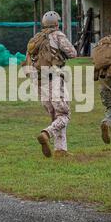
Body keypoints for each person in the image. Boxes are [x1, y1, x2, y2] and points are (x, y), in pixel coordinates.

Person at [26, 11, 77, 158]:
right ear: (57, 23)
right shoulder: (58, 35)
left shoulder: (35, 39)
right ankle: (46, 133)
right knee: (64, 114)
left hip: (39, 81)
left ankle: (60, 150)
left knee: (55, 114)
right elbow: (73, 53)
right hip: (54, 78)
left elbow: (28, 63)